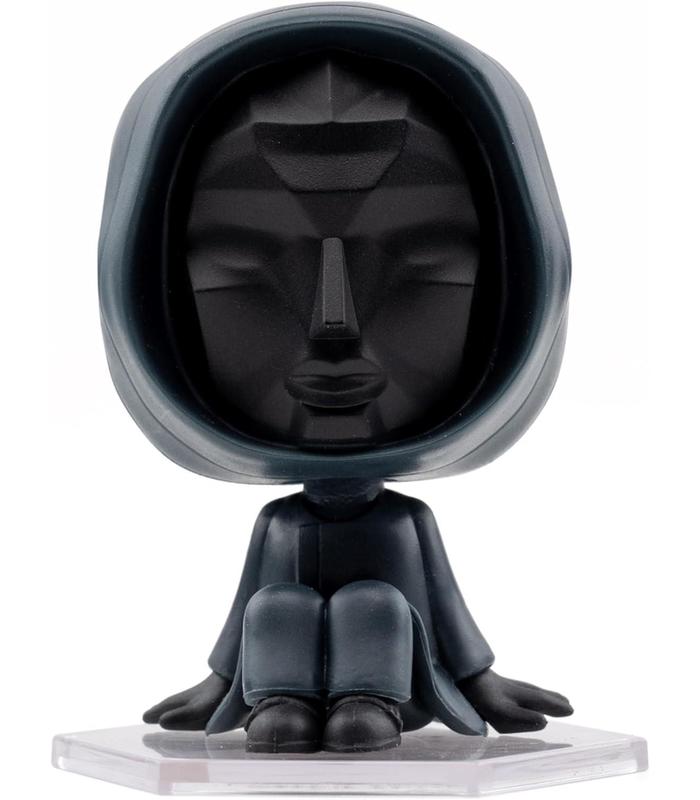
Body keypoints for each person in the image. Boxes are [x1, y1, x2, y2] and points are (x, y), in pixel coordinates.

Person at [99, 6, 573, 754]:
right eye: (243, 266)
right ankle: (280, 698)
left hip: (389, 671)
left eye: (422, 263)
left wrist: (478, 678)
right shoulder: (284, 526)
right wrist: (223, 680)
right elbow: (244, 612)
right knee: (276, 609)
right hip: (270, 679)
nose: (333, 325)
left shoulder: (400, 524)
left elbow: (444, 612)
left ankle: (368, 697)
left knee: (376, 606)